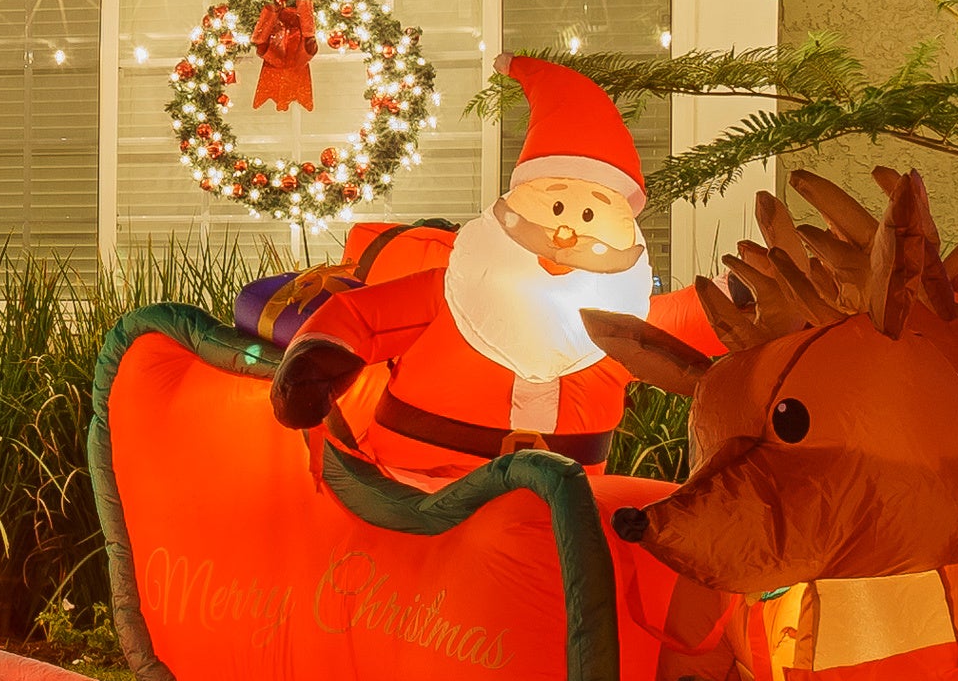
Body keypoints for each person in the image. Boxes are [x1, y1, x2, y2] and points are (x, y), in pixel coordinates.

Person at [264, 58, 676, 489]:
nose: (565, 235)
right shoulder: (454, 292)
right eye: (554, 206)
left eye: (590, 215)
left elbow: (688, 323)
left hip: (565, 497)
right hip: (418, 481)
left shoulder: (627, 323)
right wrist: (315, 362)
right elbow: (363, 317)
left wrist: (725, 295)